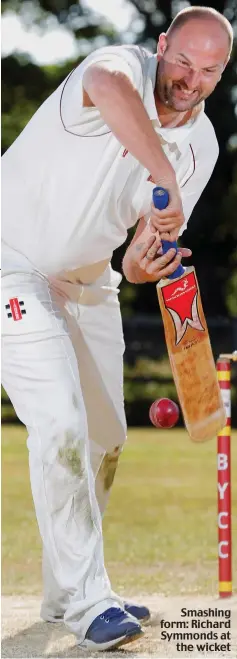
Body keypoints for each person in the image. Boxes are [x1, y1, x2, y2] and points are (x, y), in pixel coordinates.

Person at [1, 5, 233, 652]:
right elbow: (108, 89)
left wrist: (140, 261)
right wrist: (160, 170)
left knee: (104, 437)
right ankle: (87, 596)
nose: (189, 79)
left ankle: (62, 586)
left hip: (86, 281)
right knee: (60, 422)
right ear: (160, 45)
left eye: (208, 70)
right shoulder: (115, 69)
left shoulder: (204, 145)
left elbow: (135, 256)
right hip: (9, 264)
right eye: (182, 60)